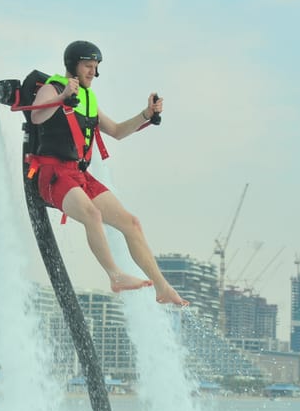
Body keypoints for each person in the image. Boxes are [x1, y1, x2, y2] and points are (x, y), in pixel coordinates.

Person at [30, 40, 188, 306]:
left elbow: (116, 131)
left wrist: (146, 114)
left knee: (132, 223)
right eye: (88, 66)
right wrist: (61, 97)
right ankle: (115, 276)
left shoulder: (90, 98)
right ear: (73, 66)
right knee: (93, 214)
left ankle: (162, 288)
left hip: (80, 176)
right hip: (51, 174)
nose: (93, 72)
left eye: (96, 67)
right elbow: (36, 117)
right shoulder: (52, 88)